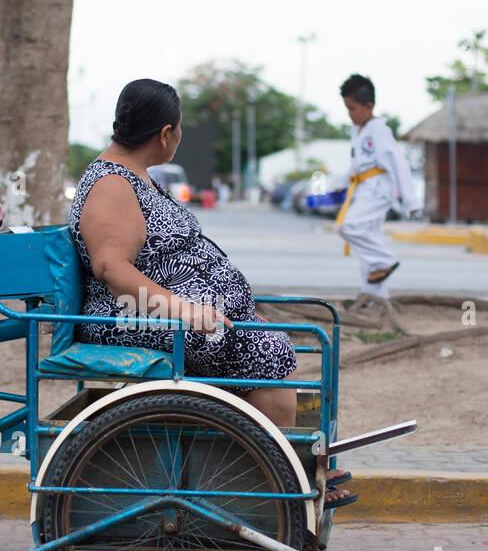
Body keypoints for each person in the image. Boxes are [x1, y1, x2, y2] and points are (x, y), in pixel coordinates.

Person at [69, 79, 354, 504]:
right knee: (267, 351)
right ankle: (275, 486)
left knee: (269, 345)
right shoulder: (112, 183)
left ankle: (284, 472)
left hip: (174, 316)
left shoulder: (134, 175)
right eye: (179, 128)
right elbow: (112, 268)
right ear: (166, 133)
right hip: (131, 319)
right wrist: (184, 310)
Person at [333, 74, 418, 302]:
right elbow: (355, 166)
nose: (349, 114)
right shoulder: (359, 132)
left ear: (368, 106)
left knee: (348, 227)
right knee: (368, 241)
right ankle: (374, 298)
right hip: (364, 189)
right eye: (347, 109)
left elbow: (398, 163)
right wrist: (338, 185)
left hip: (378, 190)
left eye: (352, 108)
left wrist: (410, 201)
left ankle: (386, 261)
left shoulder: (378, 130)